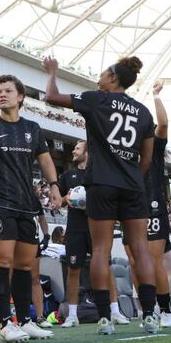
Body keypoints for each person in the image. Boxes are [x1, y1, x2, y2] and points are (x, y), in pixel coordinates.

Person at [44, 55, 160, 335]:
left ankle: (105, 318)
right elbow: (147, 159)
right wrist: (131, 175)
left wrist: (52, 71)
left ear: (113, 79)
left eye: (102, 73)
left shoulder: (96, 99)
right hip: (132, 184)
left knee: (100, 250)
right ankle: (149, 315)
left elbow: (51, 96)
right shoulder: (144, 112)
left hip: (102, 183)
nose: (98, 77)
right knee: (140, 249)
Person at [0, 75, 60, 343]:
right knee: (2, 261)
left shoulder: (33, 128)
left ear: (20, 97)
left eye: (7, 90)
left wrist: (54, 186)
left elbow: (45, 159)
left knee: (25, 265)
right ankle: (6, 323)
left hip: (27, 204)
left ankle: (26, 321)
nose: (1, 94)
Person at [58, 140, 130, 328]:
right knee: (73, 270)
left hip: (98, 227)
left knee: (106, 268)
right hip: (75, 228)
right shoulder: (68, 176)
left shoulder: (101, 174)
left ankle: (115, 311)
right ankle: (72, 315)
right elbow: (57, 202)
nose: (73, 150)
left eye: (78, 148)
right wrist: (68, 198)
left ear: (88, 153)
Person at [124, 81, 171, 327]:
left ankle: (165, 310)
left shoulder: (154, 145)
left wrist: (155, 96)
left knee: (153, 261)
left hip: (153, 205)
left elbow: (164, 124)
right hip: (128, 207)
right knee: (134, 263)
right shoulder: (122, 145)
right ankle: (148, 310)